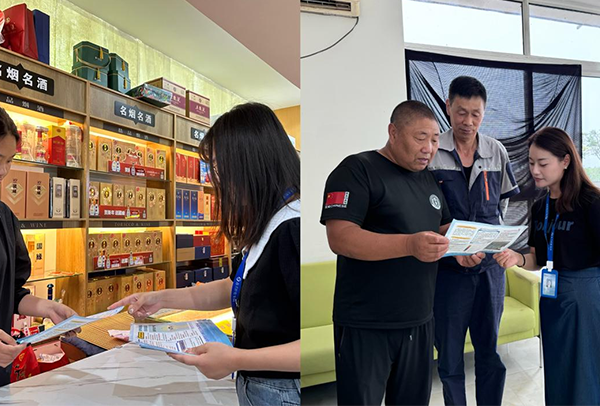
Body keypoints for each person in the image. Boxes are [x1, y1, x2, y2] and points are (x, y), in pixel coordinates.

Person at [110, 102, 300, 406]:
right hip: (260, 385)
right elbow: (235, 287)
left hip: (282, 390)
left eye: (220, 169)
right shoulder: (270, 221)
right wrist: (162, 298)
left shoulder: (292, 228)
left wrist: (236, 359)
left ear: (250, 163)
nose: (216, 182)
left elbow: (315, 342)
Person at [320, 100, 483, 405]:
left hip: (419, 320)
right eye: (420, 138)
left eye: (434, 140)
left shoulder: (428, 179)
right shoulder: (356, 170)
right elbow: (340, 237)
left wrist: (460, 249)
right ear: (393, 132)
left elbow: (442, 228)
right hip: (366, 323)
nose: (429, 149)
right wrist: (409, 245)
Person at [428, 76, 520, 405]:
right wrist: (453, 250)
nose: (468, 121)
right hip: (448, 273)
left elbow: (502, 206)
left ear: (484, 113)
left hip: (489, 271)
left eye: (476, 114)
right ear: (448, 107)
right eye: (461, 112)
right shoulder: (432, 152)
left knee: (489, 351)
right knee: (450, 356)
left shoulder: (496, 151)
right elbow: (424, 212)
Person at [494, 127, 600, 405]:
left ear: (565, 161)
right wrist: (517, 259)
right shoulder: (540, 207)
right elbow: (537, 259)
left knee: (585, 371)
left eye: (542, 163)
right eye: (531, 163)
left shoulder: (591, 201)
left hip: (586, 298)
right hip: (553, 297)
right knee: (557, 369)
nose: (535, 170)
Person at [0, 107, 79, 386]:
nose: (3, 171)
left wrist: (48, 308)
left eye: (9, 160)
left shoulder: (4, 217)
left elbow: (11, 292)